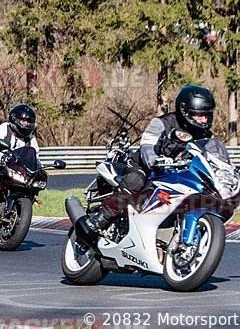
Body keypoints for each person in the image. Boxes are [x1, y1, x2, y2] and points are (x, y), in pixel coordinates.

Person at [76, 84, 228, 246]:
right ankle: (100, 218)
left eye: (206, 115)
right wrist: (155, 160)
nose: (203, 120)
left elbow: (217, 159)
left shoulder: (208, 138)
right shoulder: (162, 123)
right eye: (199, 115)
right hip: (146, 167)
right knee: (136, 180)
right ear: (185, 111)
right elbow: (148, 144)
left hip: (176, 175)